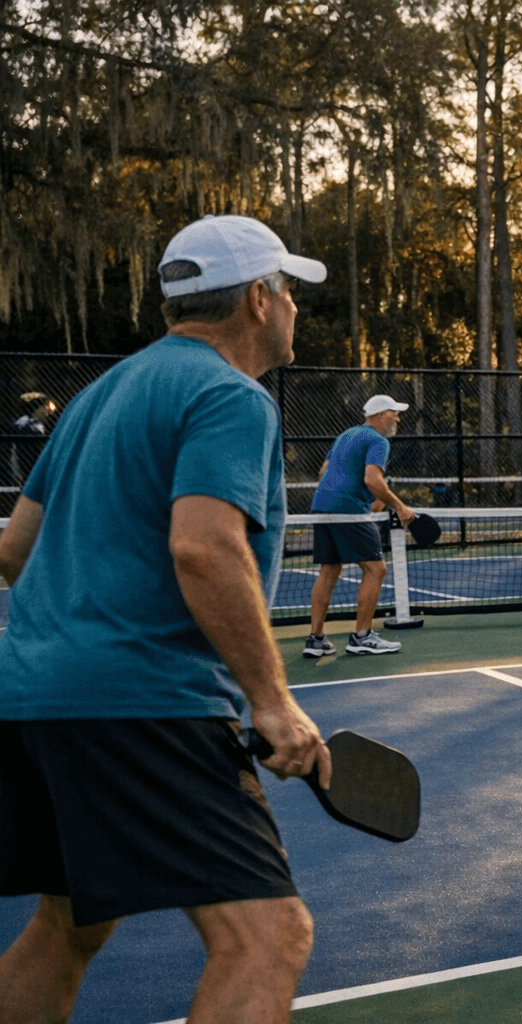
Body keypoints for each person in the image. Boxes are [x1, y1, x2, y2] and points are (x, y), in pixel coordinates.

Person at [0, 214, 332, 1022]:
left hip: (31, 698)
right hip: (145, 699)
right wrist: (272, 700)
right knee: (268, 937)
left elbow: (14, 549)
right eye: (288, 291)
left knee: (70, 921)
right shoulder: (231, 397)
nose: (294, 309)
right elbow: (205, 550)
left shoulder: (97, 396)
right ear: (259, 298)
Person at [304, 394, 418, 658]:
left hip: (321, 505)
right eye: (394, 412)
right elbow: (372, 479)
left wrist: (369, 497)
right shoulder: (378, 440)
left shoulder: (346, 435)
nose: (398, 418)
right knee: (376, 570)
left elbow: (324, 471)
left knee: (329, 570)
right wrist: (400, 507)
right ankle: (362, 636)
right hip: (348, 510)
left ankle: (316, 639)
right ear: (380, 416)